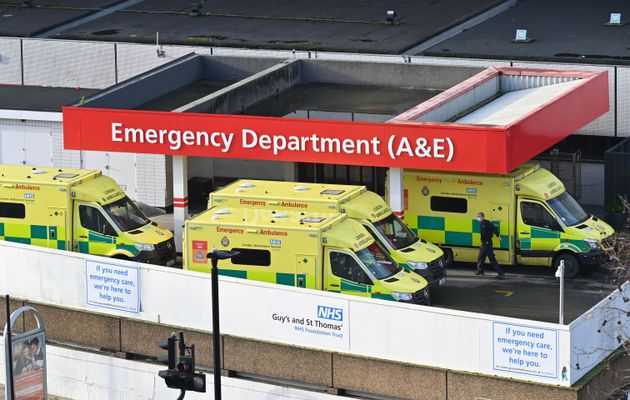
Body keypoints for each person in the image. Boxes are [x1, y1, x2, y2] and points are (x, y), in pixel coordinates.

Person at [475, 212, 506, 279]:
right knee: (481, 257)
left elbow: (494, 229)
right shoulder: (481, 223)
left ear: (482, 216)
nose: (478, 218)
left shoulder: (487, 223)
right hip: (483, 243)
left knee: (492, 259)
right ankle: (480, 271)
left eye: (479, 216)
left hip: (487, 243)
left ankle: (501, 273)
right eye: (477, 216)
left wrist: (498, 236)